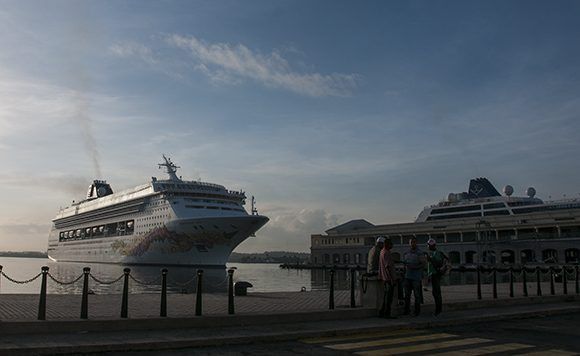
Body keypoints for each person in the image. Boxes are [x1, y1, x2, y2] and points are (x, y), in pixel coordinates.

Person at [402, 236, 425, 316]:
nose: (412, 244)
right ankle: (406, 310)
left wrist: (414, 267)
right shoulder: (407, 253)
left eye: (414, 242)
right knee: (407, 295)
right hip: (407, 276)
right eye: (411, 242)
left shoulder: (420, 253)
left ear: (416, 243)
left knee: (417, 295)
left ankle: (417, 311)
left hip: (416, 277)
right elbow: (405, 264)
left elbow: (423, 264)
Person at [426, 238, 449, 316]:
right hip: (432, 274)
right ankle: (438, 309)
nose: (428, 246)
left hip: (436, 274)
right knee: (435, 292)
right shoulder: (431, 253)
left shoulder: (437, 253)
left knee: (436, 292)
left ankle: (438, 310)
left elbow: (438, 262)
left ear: (433, 245)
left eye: (429, 245)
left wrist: (431, 259)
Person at [378, 238, 397, 318]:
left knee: (386, 296)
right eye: (391, 244)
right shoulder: (387, 253)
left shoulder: (381, 252)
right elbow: (388, 267)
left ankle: (382, 312)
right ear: (387, 244)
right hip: (388, 279)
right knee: (389, 298)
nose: (392, 245)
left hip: (384, 278)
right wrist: (392, 279)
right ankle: (387, 314)